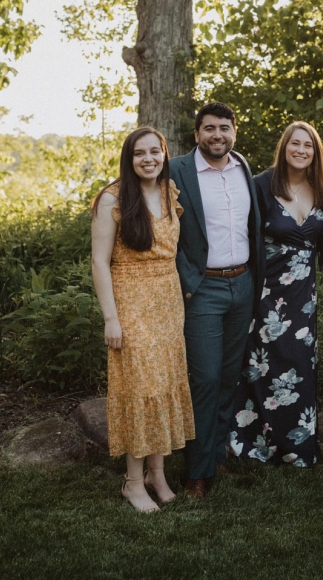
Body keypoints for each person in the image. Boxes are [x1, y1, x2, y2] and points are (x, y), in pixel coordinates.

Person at [91, 127, 195, 512]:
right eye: (140, 153)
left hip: (167, 301)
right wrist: (111, 318)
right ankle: (132, 483)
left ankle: (157, 473)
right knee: (139, 389)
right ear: (129, 158)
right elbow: (100, 262)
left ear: (165, 155)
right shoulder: (112, 198)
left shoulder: (170, 193)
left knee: (162, 384)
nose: (148, 159)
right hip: (131, 300)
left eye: (155, 152)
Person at [170, 103, 265, 500]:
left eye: (224, 128)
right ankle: (197, 471)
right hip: (203, 288)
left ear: (234, 131)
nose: (217, 136)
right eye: (209, 129)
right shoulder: (177, 171)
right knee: (205, 378)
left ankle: (218, 451)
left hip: (242, 284)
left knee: (229, 376)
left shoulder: (243, 168)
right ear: (197, 134)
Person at [229, 121, 323, 467]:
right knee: (261, 366)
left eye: (308, 146)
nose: (301, 150)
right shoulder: (260, 186)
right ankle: (257, 446)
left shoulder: (322, 190)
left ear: (315, 153)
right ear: (284, 147)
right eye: (295, 144)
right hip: (266, 291)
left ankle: (298, 448)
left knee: (300, 365)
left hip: (303, 295)